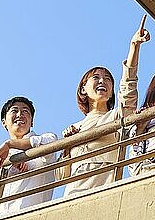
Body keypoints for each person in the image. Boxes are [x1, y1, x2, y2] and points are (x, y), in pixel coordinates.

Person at [61, 15, 149, 196]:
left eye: (108, 79)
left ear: (111, 93)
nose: (103, 81)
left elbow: (129, 89)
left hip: (104, 191)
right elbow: (61, 176)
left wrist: (134, 47)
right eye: (96, 78)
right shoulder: (75, 127)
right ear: (83, 89)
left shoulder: (117, 116)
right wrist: (67, 146)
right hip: (73, 193)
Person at [0, 97, 57, 217]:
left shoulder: (44, 142)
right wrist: (10, 158)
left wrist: (10, 144)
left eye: (25, 111)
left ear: (32, 122)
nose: (20, 114)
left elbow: (51, 142)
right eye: (14, 111)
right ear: (4, 121)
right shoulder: (2, 153)